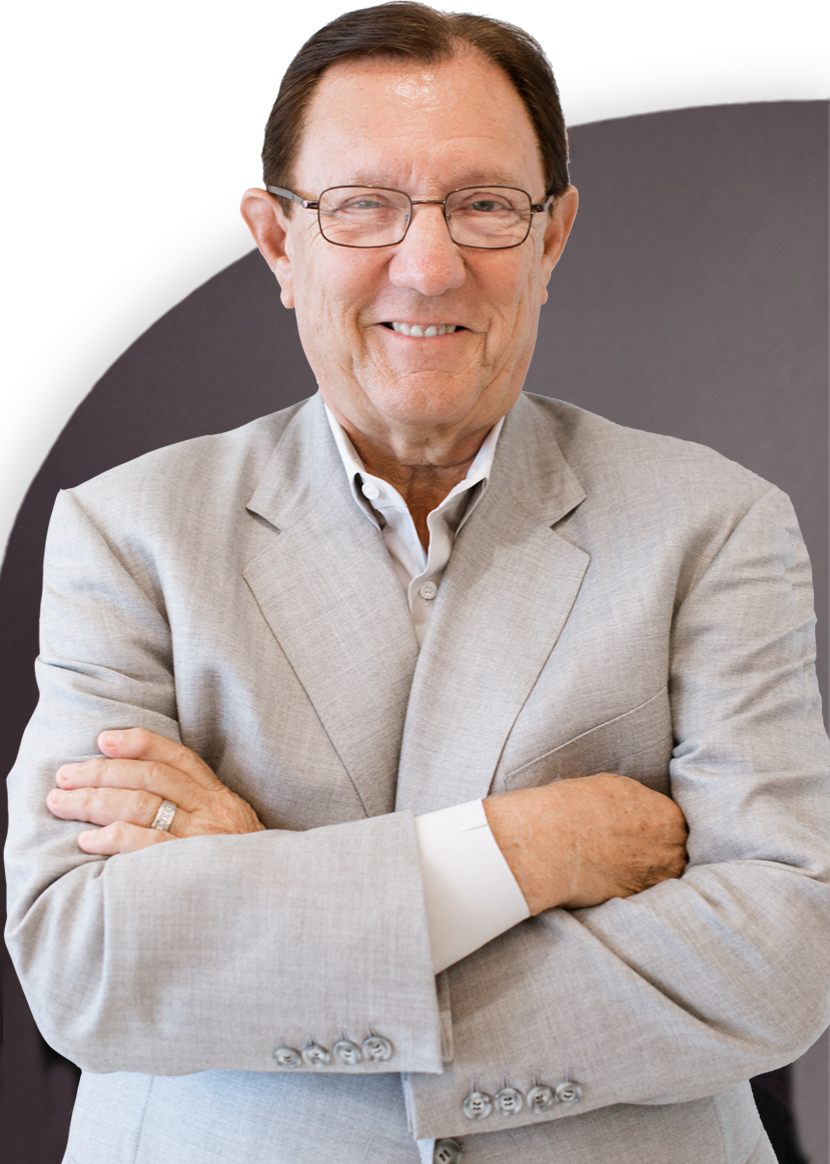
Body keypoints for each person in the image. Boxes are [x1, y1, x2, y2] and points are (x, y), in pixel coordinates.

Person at [5, 4, 829, 1163]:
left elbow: (779, 958)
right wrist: (518, 853)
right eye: (362, 207)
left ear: (550, 239)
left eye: (485, 205)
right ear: (279, 242)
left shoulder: (714, 525)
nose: (429, 264)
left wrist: (266, 900)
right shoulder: (127, 531)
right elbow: (84, 964)